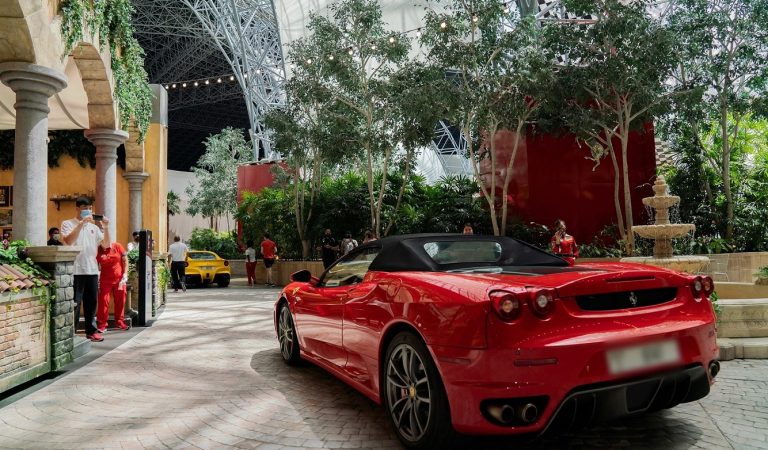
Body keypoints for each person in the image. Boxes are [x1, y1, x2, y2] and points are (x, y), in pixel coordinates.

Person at [61, 197, 109, 342]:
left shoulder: (94, 227)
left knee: (91, 303)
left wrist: (106, 227)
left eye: (89, 207)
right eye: (83, 207)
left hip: (92, 270)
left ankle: (91, 331)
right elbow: (68, 241)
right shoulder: (67, 223)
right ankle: (72, 333)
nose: (87, 210)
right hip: (75, 270)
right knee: (75, 303)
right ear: (77, 208)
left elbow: (106, 245)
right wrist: (81, 224)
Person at [96, 240, 129, 332]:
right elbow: (95, 263)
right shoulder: (98, 249)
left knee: (121, 300)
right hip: (105, 280)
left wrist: (125, 274)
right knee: (103, 301)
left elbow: (125, 260)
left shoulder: (117, 246)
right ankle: (102, 324)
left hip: (119, 279)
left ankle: (119, 322)